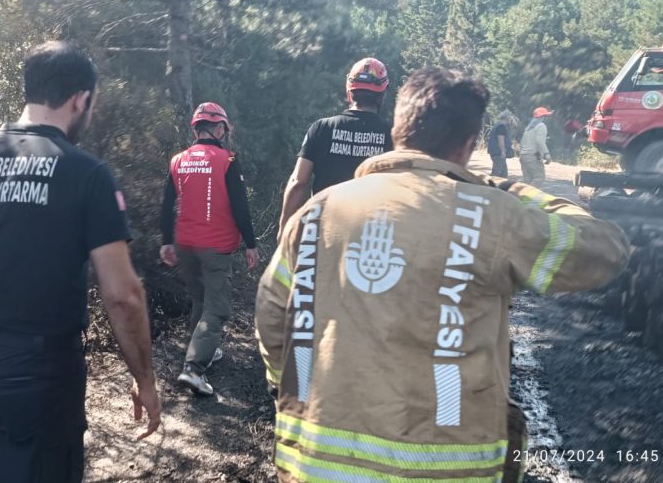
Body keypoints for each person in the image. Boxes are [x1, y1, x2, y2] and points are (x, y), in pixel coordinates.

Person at [255, 68, 629, 483]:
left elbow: (273, 316)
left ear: (398, 129)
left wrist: (288, 385)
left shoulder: (317, 212)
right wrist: (510, 191)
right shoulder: (491, 214)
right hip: (446, 469)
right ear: (469, 144)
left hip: (314, 464)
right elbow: (605, 249)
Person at [0, 41, 161, 483]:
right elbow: (123, 296)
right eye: (91, 104)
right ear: (81, 99)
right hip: (38, 376)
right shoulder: (86, 174)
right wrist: (145, 377)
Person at [159, 102, 259, 396]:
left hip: (185, 243)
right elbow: (240, 206)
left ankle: (205, 349)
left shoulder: (178, 160)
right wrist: (251, 244)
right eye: (224, 130)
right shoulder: (227, 159)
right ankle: (194, 369)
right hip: (215, 245)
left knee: (200, 300)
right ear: (219, 129)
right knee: (217, 309)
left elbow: (166, 205)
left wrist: (166, 240)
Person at [278, 57, 393, 239]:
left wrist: (285, 228)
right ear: (382, 95)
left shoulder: (321, 128)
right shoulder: (392, 135)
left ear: (349, 91)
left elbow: (298, 182)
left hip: (323, 233)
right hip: (369, 237)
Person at [520, 106, 553, 185]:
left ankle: (522, 196)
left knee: (527, 181)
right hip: (532, 157)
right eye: (546, 116)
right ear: (543, 117)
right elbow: (539, 141)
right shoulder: (541, 126)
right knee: (539, 177)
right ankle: (528, 197)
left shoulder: (528, 127)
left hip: (523, 156)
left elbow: (522, 142)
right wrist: (547, 154)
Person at [486, 110, 515, 177]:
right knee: (496, 173)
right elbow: (500, 139)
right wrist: (503, 151)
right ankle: (489, 186)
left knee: (503, 174)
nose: (511, 119)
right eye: (510, 117)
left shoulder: (497, 125)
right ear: (507, 118)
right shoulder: (501, 127)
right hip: (498, 153)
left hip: (496, 152)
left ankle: (500, 186)